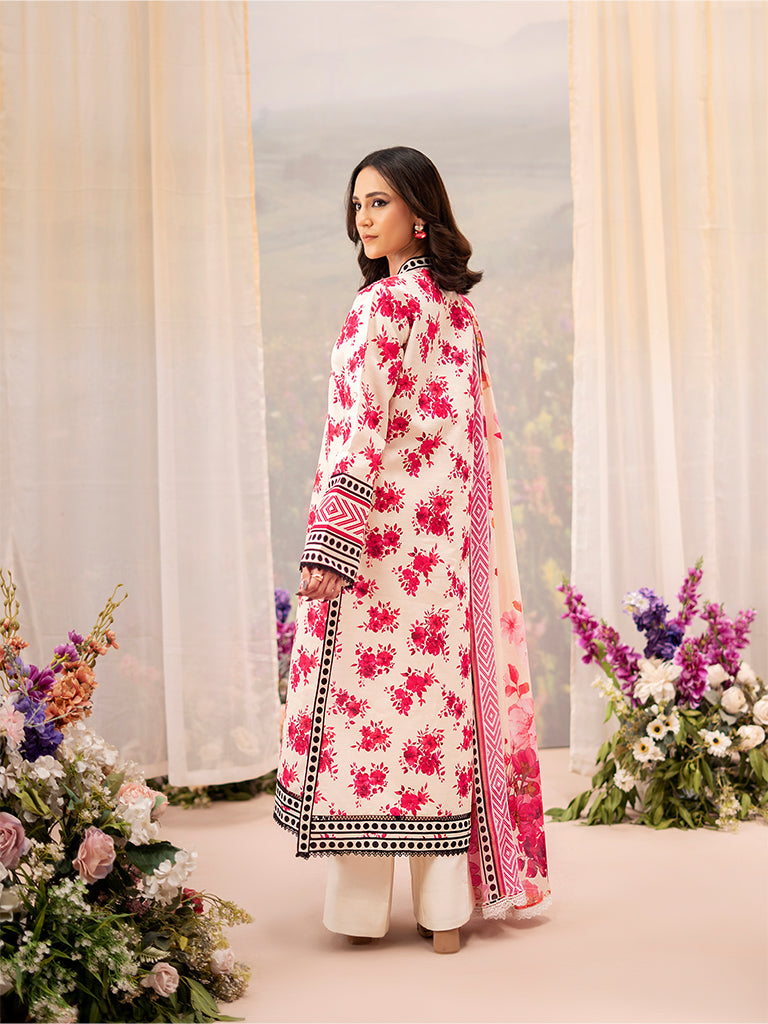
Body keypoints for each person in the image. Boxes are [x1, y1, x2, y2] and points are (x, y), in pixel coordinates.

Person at [274, 147, 550, 954]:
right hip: (444, 563)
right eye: (358, 204)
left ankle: (360, 915)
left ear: (419, 215)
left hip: (372, 555)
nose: (363, 218)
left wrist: (331, 540)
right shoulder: (460, 315)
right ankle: (444, 915)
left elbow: (357, 429)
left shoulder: (379, 307)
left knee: (364, 724)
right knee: (435, 718)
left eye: (380, 203)